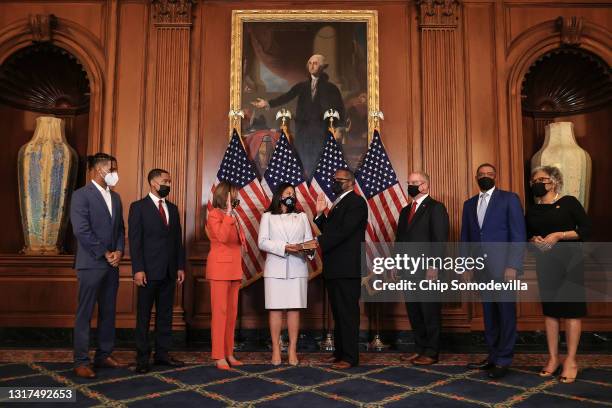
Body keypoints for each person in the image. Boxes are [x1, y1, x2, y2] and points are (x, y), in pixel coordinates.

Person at [526, 166, 591, 383]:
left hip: (571, 263)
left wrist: (559, 235)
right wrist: (533, 239)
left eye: (541, 179)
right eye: (533, 180)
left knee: (572, 312)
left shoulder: (569, 202)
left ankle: (571, 360)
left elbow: (586, 229)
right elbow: (527, 235)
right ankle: (553, 358)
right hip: (545, 264)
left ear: (553, 182)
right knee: (551, 312)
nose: (536, 183)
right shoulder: (533, 209)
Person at [461, 163, 526, 379]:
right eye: (481, 175)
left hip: (504, 269)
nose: (485, 177)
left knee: (506, 314)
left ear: (496, 176)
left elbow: (518, 235)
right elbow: (466, 239)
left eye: (489, 174)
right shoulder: (469, 205)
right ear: (476, 178)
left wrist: (512, 266)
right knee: (489, 315)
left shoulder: (509, 199)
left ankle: (504, 359)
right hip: (482, 270)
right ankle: (493, 356)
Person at [70, 153, 125, 379]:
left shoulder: (117, 197)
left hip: (112, 265)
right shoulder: (81, 195)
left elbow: (120, 229)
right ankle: (81, 361)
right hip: (91, 263)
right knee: (85, 313)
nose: (114, 173)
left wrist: (119, 251)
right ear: (97, 169)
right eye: (111, 169)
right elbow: (81, 230)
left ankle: (104, 354)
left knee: (108, 312)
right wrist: (105, 253)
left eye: (115, 168)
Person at [129, 169, 186, 373]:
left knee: (165, 315)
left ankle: (162, 355)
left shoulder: (173, 208)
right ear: (153, 183)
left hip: (170, 271)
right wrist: (138, 270)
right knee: (144, 316)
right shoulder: (138, 208)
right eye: (165, 181)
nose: (168, 184)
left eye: (169, 181)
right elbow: (135, 243)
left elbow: (177, 241)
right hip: (147, 272)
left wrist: (180, 266)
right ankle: (142, 359)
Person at [251, 54, 345, 176]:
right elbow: (286, 97)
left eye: (315, 63)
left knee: (320, 165)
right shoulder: (302, 86)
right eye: (310, 63)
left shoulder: (331, 88)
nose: (312, 66)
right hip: (303, 133)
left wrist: (339, 128)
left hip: (322, 132)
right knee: (302, 165)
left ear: (322, 67)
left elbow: (340, 109)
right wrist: (267, 103)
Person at [314, 168, 368, 369]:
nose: (334, 182)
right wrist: (320, 214)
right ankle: (340, 353)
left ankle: (350, 357)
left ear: (351, 182)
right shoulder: (339, 202)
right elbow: (332, 230)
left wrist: (316, 242)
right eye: (333, 179)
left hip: (347, 268)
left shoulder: (356, 202)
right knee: (338, 312)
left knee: (348, 314)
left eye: (339, 180)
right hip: (336, 267)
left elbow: (343, 232)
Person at [258, 183, 316, 366]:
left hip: (297, 267)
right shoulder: (268, 216)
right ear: (279, 196)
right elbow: (262, 242)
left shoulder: (302, 217)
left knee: (293, 310)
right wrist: (284, 247)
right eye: (287, 193)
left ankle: (292, 349)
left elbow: (309, 242)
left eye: (293, 193)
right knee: (275, 309)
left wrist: (307, 250)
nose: (291, 196)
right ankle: (276, 348)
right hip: (275, 268)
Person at [395, 171, 449, 365]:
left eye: (415, 182)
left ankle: (431, 352)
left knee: (429, 311)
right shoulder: (404, 211)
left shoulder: (436, 208)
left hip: (428, 271)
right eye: (408, 182)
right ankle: (420, 348)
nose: (411, 185)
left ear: (425, 185)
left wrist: (433, 266)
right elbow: (400, 241)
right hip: (408, 269)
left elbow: (439, 240)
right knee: (414, 311)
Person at [206, 181, 244, 370]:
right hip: (220, 271)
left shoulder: (233, 215)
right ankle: (218, 355)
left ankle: (229, 352)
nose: (237, 197)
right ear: (225, 196)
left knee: (231, 314)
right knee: (220, 314)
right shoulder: (215, 214)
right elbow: (221, 237)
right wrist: (228, 214)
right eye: (234, 194)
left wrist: (231, 215)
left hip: (234, 270)